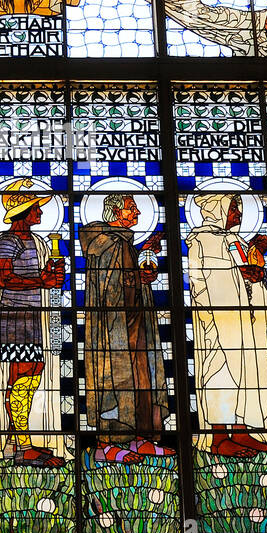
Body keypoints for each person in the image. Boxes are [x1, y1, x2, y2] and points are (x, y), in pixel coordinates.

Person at [79, 192, 172, 464]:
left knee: (143, 381)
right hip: (114, 328)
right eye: (132, 208)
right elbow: (109, 289)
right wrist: (136, 281)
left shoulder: (125, 244)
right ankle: (109, 445)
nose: (138, 214)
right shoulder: (107, 244)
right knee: (114, 383)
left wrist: (143, 278)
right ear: (117, 212)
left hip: (136, 325)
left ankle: (140, 439)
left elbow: (128, 282)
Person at [184, 193, 267, 455]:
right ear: (218, 209)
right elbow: (201, 281)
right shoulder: (200, 241)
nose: (238, 215)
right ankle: (218, 437)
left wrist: (256, 270)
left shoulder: (236, 241)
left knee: (246, 375)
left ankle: (241, 432)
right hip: (218, 322)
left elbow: (247, 274)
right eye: (233, 209)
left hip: (244, 321)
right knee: (221, 375)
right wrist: (239, 276)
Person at [0, 180, 65, 466]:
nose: (40, 213)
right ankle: (21, 447)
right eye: (35, 209)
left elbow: (34, 277)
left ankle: (23, 440)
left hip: (33, 315)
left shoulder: (33, 242)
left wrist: (51, 275)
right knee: (20, 375)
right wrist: (43, 279)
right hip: (15, 316)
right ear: (23, 212)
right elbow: (4, 280)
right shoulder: (7, 242)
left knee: (32, 374)